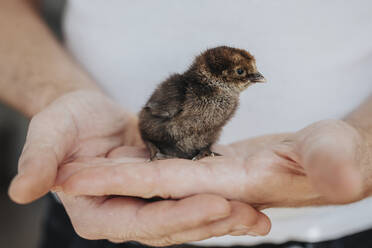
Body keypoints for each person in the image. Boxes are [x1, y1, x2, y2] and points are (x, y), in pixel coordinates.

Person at [2, 0, 372, 247]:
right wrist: (57, 94)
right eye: (244, 74)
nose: (252, 78)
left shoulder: (217, 96)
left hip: (347, 226)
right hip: (100, 187)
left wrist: (365, 138)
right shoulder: (183, 92)